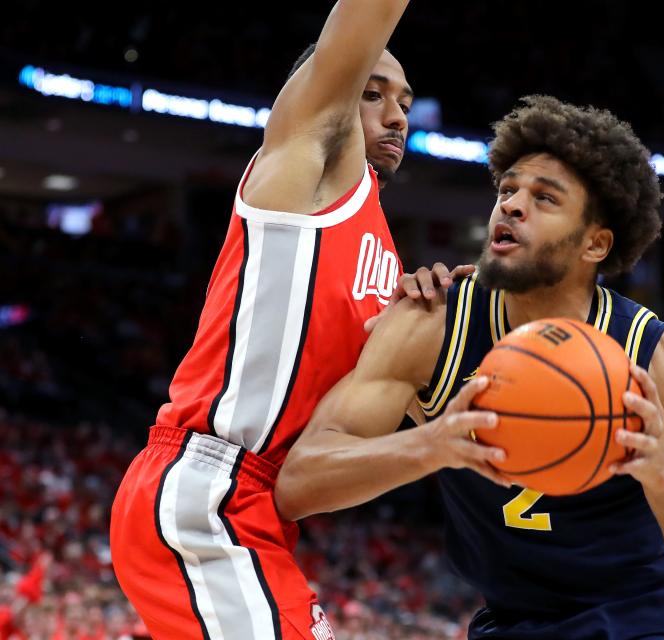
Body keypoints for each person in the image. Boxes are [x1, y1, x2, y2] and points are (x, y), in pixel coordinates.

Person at [276, 95, 664, 639]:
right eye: (507, 190)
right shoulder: (432, 324)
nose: (512, 206)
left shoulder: (652, 355)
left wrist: (658, 468)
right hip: (510, 621)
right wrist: (432, 444)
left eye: (544, 198)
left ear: (595, 242)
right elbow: (299, 484)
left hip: (641, 616)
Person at [109, 1, 457, 638]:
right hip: (208, 486)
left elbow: (392, 414)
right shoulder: (307, 169)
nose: (397, 114)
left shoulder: (385, 253)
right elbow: (363, 22)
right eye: (373, 93)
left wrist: (437, 335)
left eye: (405, 100)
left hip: (263, 509)